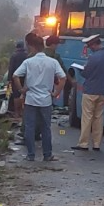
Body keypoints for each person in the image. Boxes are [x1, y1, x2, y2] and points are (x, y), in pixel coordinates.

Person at [13, 32, 66, 162]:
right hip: (46, 100)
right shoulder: (53, 62)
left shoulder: (28, 62)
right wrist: (55, 92)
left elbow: (15, 76)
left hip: (31, 99)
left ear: (33, 47)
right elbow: (63, 78)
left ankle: (31, 155)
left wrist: (22, 90)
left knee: (30, 128)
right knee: (46, 128)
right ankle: (47, 155)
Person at [73, 34, 104, 152]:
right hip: (103, 90)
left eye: (89, 45)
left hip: (90, 90)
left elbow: (86, 74)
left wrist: (80, 69)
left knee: (87, 117)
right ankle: (97, 144)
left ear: (94, 44)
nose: (89, 48)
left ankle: (83, 143)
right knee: (98, 117)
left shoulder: (93, 58)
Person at [7, 38, 29, 117]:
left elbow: (11, 68)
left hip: (15, 77)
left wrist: (9, 80)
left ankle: (17, 112)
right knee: (23, 94)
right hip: (25, 77)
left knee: (16, 95)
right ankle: (23, 112)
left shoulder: (14, 55)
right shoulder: (27, 55)